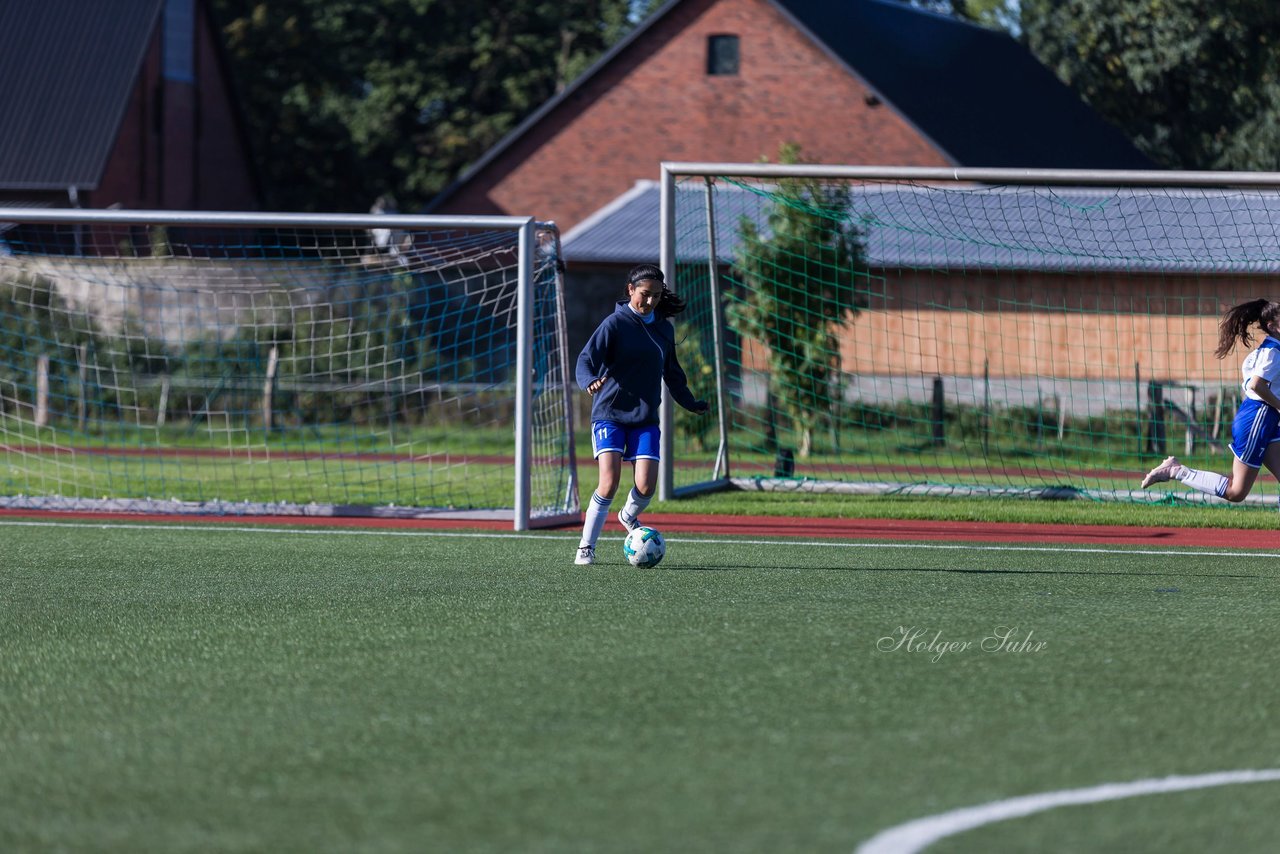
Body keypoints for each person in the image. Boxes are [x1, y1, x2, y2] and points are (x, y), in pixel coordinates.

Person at [573, 264, 709, 565]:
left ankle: (627, 516)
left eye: (656, 296)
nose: (649, 302)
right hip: (610, 413)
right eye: (644, 295)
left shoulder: (664, 328)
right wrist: (589, 381)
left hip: (645, 418)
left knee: (647, 485)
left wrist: (690, 402)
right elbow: (585, 359)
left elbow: (673, 374)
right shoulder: (614, 324)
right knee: (608, 482)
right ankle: (586, 547)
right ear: (630, 290)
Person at [1142, 298, 1280, 500]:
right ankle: (1176, 471)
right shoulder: (1273, 353)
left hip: (1265, 418)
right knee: (1236, 492)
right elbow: (1255, 385)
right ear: (1273, 326)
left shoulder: (1269, 350)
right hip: (1256, 420)